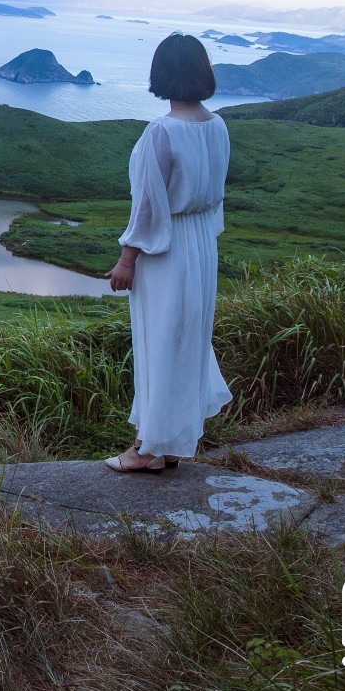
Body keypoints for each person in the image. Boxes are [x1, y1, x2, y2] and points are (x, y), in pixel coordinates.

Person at [102, 33, 234, 473]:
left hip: (168, 250)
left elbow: (148, 206)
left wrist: (127, 260)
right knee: (186, 342)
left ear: (162, 74)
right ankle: (170, 444)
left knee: (159, 343)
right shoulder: (216, 125)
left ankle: (147, 449)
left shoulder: (162, 131)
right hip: (200, 246)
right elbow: (214, 198)